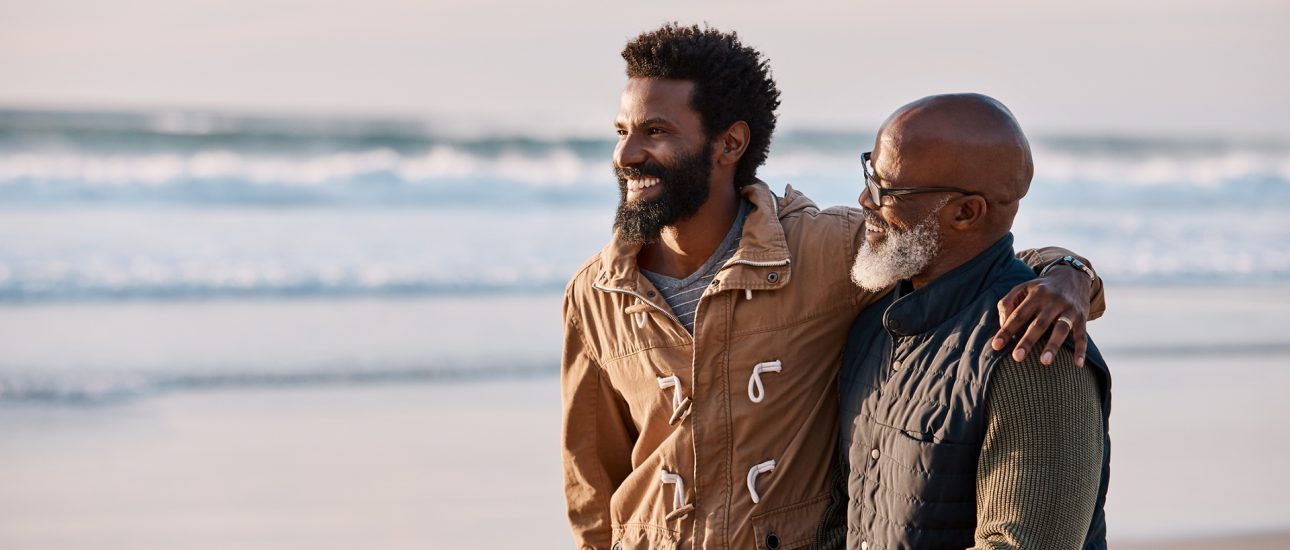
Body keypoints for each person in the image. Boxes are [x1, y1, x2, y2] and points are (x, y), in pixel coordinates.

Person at [561, 24, 1104, 550]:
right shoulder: (595, 294)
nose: (626, 154)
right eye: (622, 132)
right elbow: (592, 484)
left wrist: (1068, 275)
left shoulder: (828, 254)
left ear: (730, 143)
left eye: (655, 131)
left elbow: (975, 262)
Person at [825, 94, 1112, 550]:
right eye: (869, 174)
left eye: (887, 189)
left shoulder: (1034, 345)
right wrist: (1070, 267)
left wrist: (1071, 271)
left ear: (965, 213)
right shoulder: (874, 326)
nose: (865, 200)